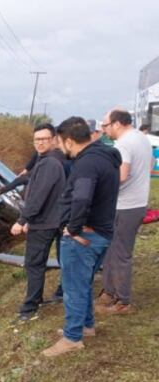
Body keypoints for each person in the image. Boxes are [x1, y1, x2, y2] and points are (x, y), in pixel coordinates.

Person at [42, 117, 121, 357]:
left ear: (68, 141)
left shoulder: (87, 164)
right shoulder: (105, 156)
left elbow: (82, 198)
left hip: (86, 236)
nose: (58, 148)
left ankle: (72, 338)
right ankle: (86, 326)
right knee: (83, 282)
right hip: (103, 231)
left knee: (74, 286)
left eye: (59, 143)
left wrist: (73, 229)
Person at [95, 110, 153, 314]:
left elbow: (121, 175)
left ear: (117, 123)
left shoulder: (123, 144)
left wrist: (99, 191)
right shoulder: (141, 138)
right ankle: (109, 292)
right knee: (112, 250)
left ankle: (122, 301)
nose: (103, 129)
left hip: (124, 205)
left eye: (105, 125)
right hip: (136, 203)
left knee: (120, 253)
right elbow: (150, 166)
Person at [9, 124, 66, 323]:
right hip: (51, 219)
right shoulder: (49, 160)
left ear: (53, 140)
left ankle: (30, 308)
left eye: (44, 139)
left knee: (34, 264)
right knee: (51, 262)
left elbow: (38, 196)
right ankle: (53, 295)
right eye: (37, 140)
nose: (40, 143)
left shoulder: (49, 163)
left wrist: (23, 219)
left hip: (45, 222)